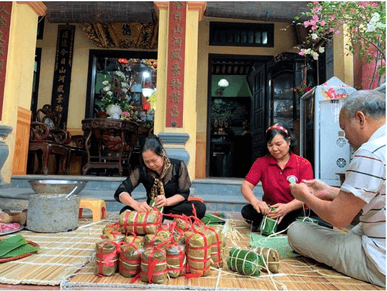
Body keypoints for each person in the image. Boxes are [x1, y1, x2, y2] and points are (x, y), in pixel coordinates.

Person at [288, 90, 385, 287]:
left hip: (379, 260)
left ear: (360, 119)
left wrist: (305, 196)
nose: (344, 135)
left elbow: (338, 218)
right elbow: (374, 194)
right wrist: (328, 191)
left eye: (344, 127)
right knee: (358, 227)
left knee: (296, 230)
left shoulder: (370, 152)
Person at [240, 124, 325, 233]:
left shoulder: (303, 164)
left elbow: (307, 195)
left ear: (289, 141)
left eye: (278, 144)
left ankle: (271, 225)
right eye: (270, 145)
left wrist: (287, 208)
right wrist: (255, 202)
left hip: (295, 210)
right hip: (271, 211)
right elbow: (246, 186)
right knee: (247, 211)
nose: (274, 149)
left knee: (317, 217)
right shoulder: (261, 162)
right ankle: (285, 227)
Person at [114, 135, 206, 219]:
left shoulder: (178, 166)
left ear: (162, 153)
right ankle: (162, 219)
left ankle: (158, 219)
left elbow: (183, 194)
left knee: (200, 208)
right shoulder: (141, 170)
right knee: (125, 211)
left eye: (154, 160)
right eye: (147, 161)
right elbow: (121, 192)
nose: (151, 164)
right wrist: (136, 204)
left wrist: (166, 202)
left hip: (174, 207)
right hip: (152, 209)